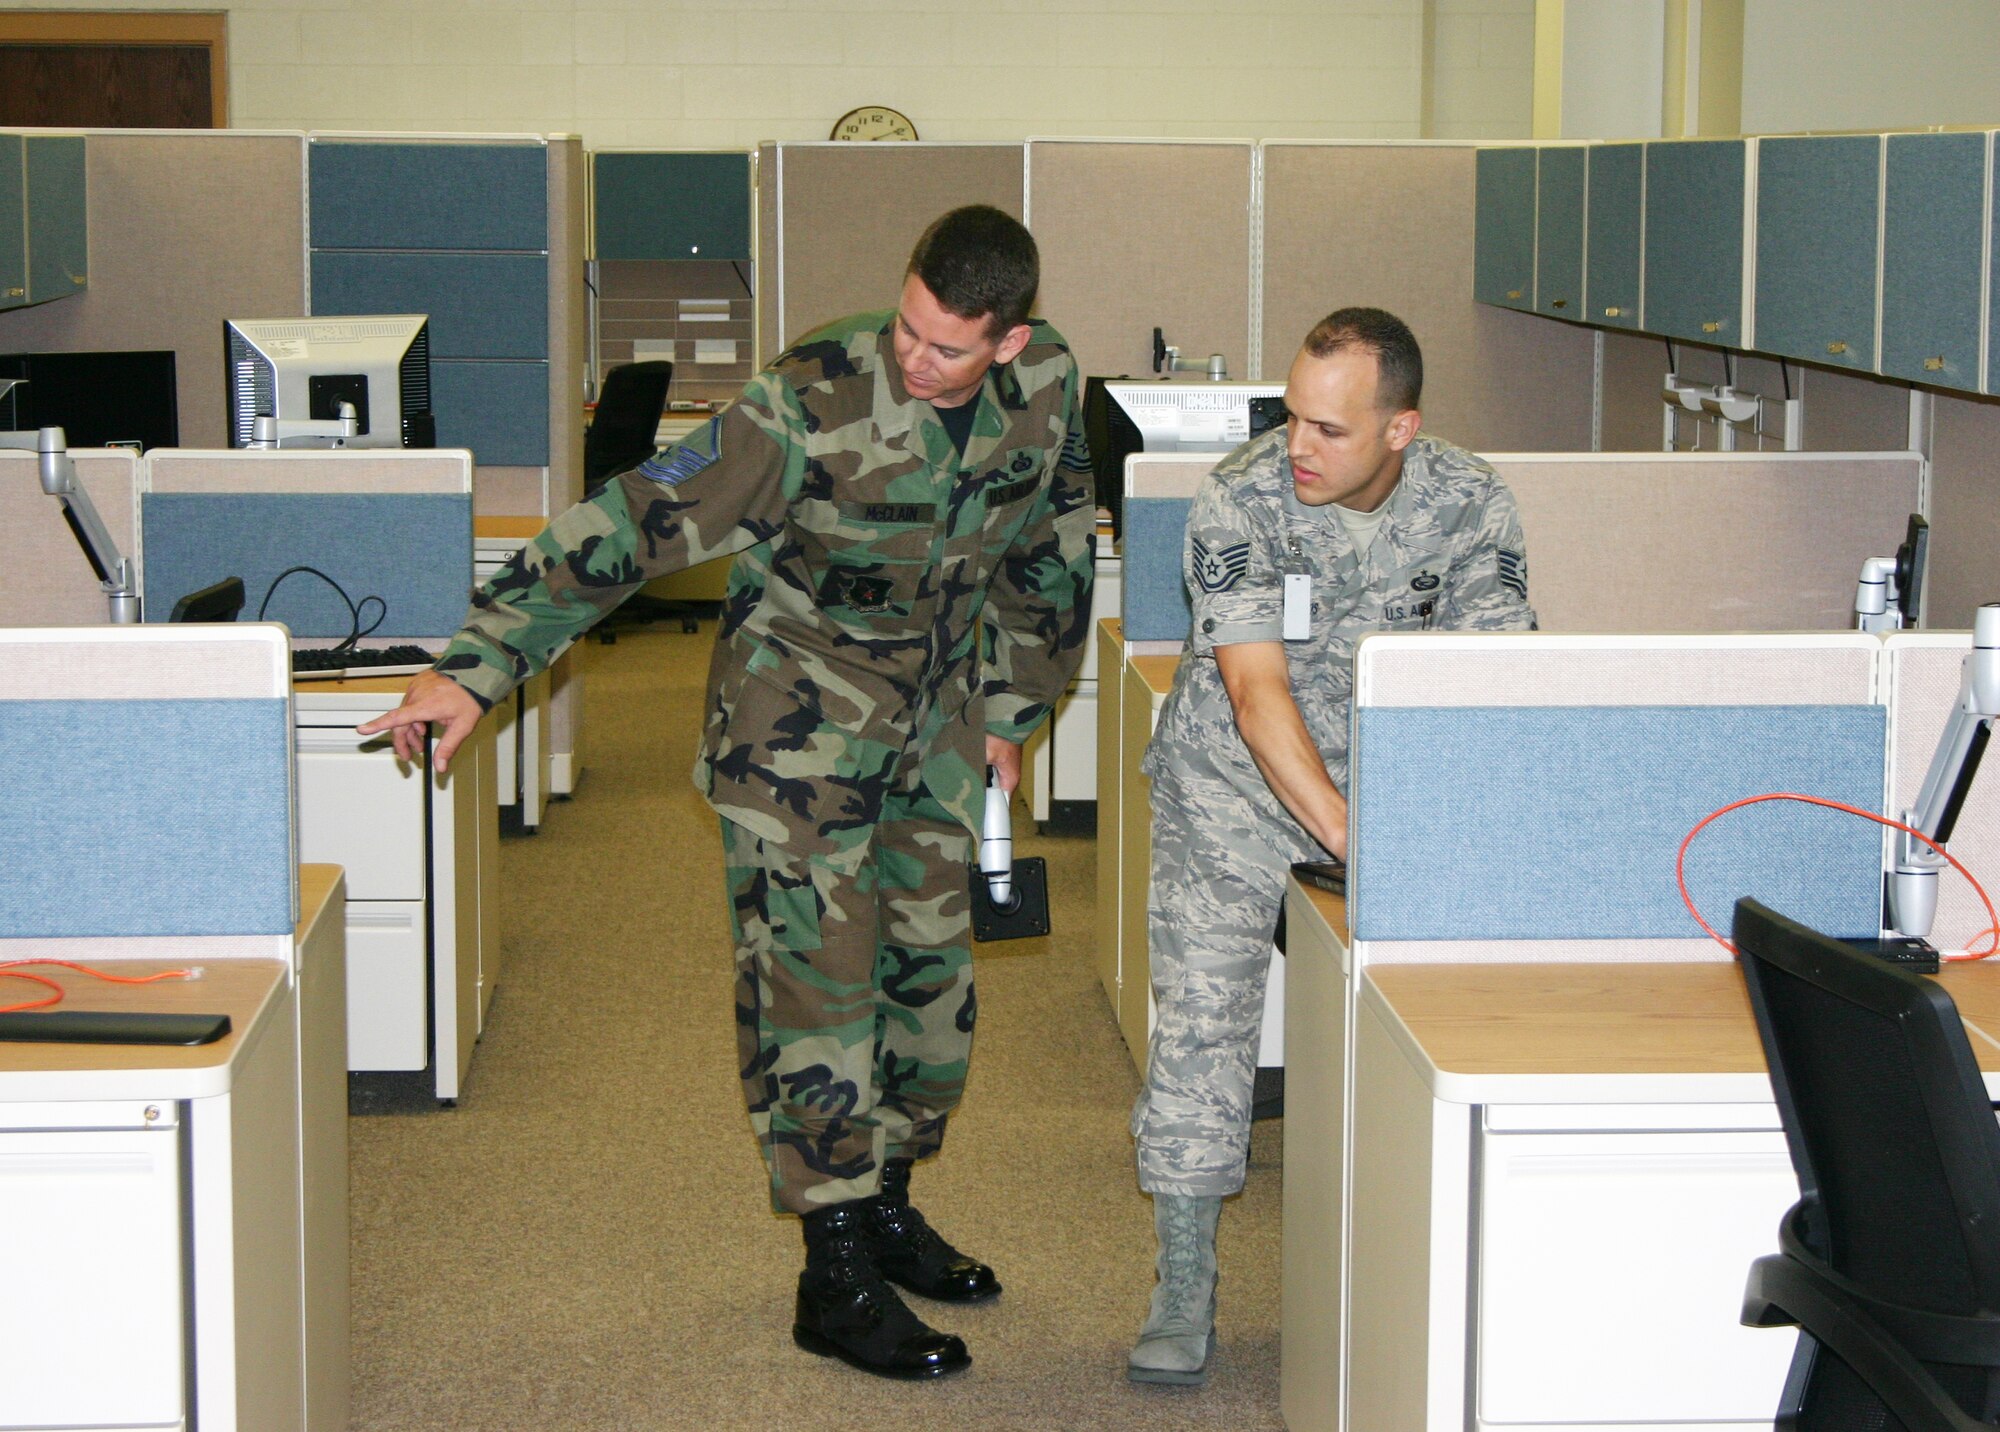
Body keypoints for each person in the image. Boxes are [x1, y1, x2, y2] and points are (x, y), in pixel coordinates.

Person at [359, 205, 1095, 1382]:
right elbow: (634, 521)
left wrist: (1015, 707)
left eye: (948, 346)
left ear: (1008, 342)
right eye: (908, 324)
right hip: (792, 734)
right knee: (816, 996)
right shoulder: (807, 397)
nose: (914, 356)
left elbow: (1052, 546)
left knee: (929, 998)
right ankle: (834, 1267)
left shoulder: (1049, 386)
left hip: (939, 730)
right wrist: (476, 665)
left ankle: (888, 1199)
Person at [1126, 307, 1535, 1385]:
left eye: (1329, 430)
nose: (1297, 447)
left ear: (1399, 429)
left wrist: (1419, 829)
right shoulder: (1239, 494)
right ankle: (1181, 1280)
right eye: (1290, 417)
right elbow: (1254, 691)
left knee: (1410, 1028)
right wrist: (1351, 839)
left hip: (1382, 786)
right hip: (1232, 785)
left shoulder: (1468, 500)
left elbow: (1485, 679)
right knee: (1202, 1022)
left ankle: (1403, 1256)